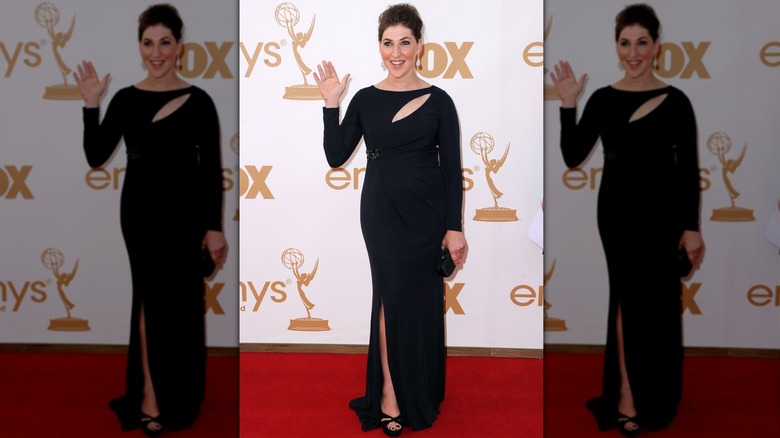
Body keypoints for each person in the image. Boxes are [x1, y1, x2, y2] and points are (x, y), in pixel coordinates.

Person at [550, 4, 704, 437]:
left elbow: (689, 170)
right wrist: (567, 104)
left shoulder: (677, 102)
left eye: (641, 42)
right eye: (624, 43)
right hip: (617, 215)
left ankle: (657, 388)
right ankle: (627, 397)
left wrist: (691, 226)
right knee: (625, 299)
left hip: (664, 217)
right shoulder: (602, 99)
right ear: (616, 47)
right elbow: (572, 155)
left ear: (656, 45)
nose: (632, 52)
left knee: (658, 306)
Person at [73, 4, 226, 436]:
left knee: (181, 306)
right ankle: (150, 397)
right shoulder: (124, 99)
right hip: (140, 216)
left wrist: (213, 226)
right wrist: (90, 105)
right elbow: (95, 155)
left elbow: (211, 170)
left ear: (179, 46)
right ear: (139, 47)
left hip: (187, 218)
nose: (155, 52)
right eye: (147, 43)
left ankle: (181, 389)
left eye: (164, 42)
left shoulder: (200, 102)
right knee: (149, 300)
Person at [313, 3, 466, 436]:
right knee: (390, 298)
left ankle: (422, 385)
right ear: (378, 46)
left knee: (420, 302)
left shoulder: (441, 101)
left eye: (404, 42)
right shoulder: (364, 99)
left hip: (429, 212)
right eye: (387, 43)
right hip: (382, 211)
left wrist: (453, 226)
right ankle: (390, 396)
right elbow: (335, 155)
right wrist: (330, 105)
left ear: (420, 45)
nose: (395, 53)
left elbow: (452, 170)